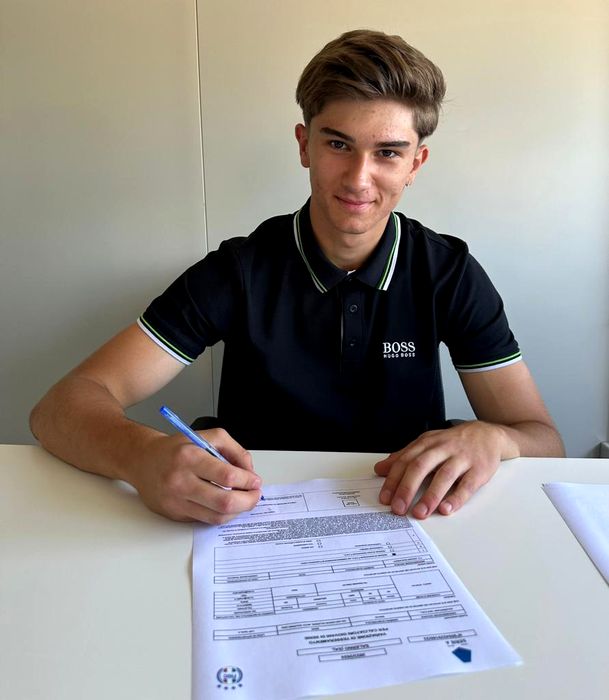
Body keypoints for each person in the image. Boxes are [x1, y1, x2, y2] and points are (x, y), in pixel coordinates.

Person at [30, 29, 564, 525]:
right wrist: (141, 455)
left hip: (404, 518)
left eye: (387, 153)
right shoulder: (239, 270)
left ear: (415, 164)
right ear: (305, 145)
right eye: (338, 145)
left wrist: (494, 439)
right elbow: (59, 408)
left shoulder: (448, 272)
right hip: (249, 517)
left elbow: (542, 439)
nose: (359, 179)